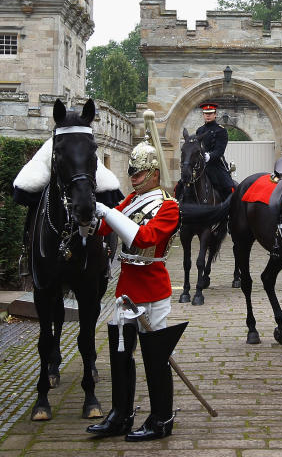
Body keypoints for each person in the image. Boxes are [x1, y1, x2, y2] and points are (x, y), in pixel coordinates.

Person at [86, 137, 185, 441]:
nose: (133, 178)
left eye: (139, 173)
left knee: (155, 357)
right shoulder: (130, 200)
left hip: (152, 287)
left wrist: (107, 212)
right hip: (126, 286)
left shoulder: (168, 207)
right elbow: (101, 229)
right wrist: (87, 214)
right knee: (120, 353)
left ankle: (161, 419)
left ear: (154, 173)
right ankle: (121, 415)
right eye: (132, 173)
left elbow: (142, 238)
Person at [195, 103, 235, 198]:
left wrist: (209, 156)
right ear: (203, 115)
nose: (208, 115)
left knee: (228, 186)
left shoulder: (221, 130)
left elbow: (220, 150)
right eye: (206, 113)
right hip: (201, 163)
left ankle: (228, 208)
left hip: (216, 163)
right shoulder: (199, 130)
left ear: (215, 114)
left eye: (210, 113)